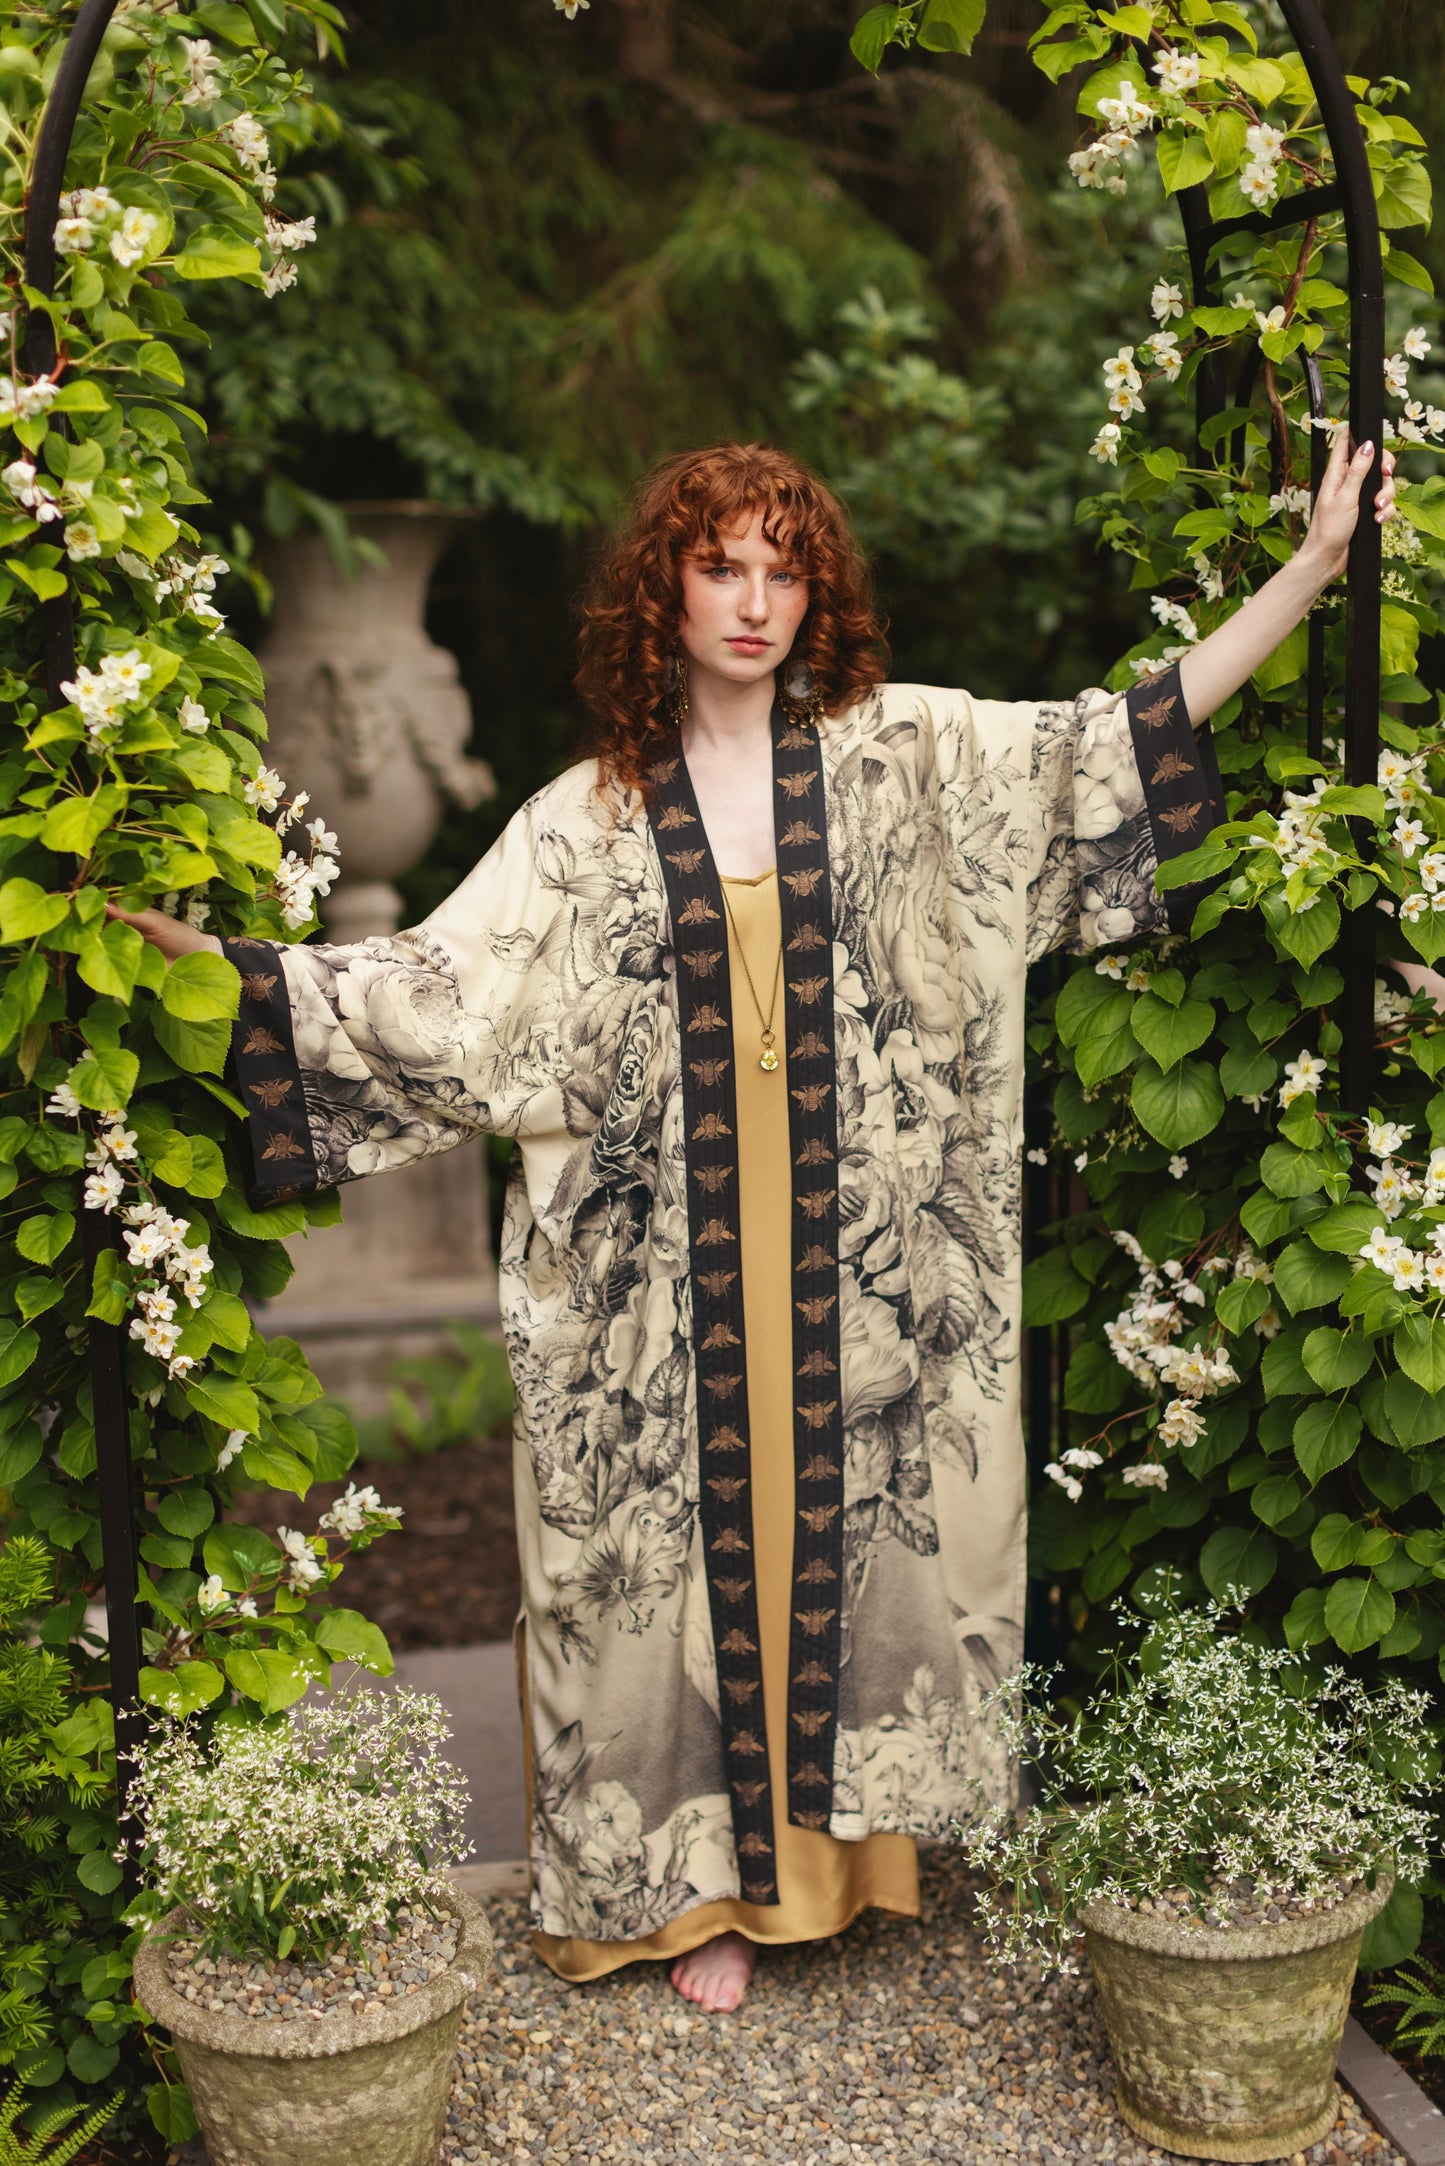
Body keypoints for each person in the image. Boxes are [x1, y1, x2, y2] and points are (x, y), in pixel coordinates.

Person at [114, 431, 1395, 2013]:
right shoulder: (581, 825)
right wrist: (212, 969)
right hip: (660, 1306)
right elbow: (424, 998)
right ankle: (686, 1900)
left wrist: (1311, 570)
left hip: (853, 1284)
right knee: (659, 1587)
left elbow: (1105, 746)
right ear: (665, 585)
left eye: (784, 569)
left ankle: (844, 1867)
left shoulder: (902, 760)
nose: (754, 600)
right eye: (722, 564)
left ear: (817, 593)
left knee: (851, 1550)